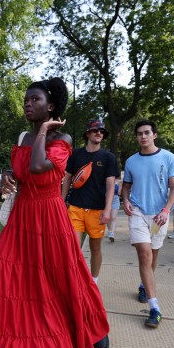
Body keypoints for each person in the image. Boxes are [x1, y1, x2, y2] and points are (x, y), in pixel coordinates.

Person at [0, 77, 109, 348]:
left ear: (50, 106)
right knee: (5, 281)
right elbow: (24, 169)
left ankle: (94, 330)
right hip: (22, 215)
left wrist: (44, 132)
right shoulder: (24, 136)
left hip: (50, 216)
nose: (28, 103)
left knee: (67, 277)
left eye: (34, 100)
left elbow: (39, 166)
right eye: (26, 99)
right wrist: (8, 178)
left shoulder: (62, 139)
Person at [121, 120, 174, 328]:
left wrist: (166, 211)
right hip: (137, 213)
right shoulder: (131, 161)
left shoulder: (168, 157)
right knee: (144, 254)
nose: (143, 136)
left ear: (154, 135)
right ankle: (155, 308)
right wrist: (126, 200)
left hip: (159, 216)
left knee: (153, 255)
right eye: (139, 134)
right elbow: (126, 187)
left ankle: (144, 285)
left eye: (146, 133)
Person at [61, 119, 117, 284]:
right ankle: (76, 281)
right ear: (87, 134)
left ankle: (94, 281)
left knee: (95, 248)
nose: (98, 133)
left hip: (97, 211)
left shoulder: (109, 157)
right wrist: (61, 202)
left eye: (101, 131)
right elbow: (67, 179)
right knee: (73, 249)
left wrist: (107, 209)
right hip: (76, 208)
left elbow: (110, 185)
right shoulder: (75, 154)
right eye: (95, 131)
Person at [106, 177, 122, 242]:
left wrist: (119, 187)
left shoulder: (119, 181)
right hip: (106, 200)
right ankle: (109, 231)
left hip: (115, 199)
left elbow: (119, 193)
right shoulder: (106, 179)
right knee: (108, 218)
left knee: (113, 217)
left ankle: (112, 234)